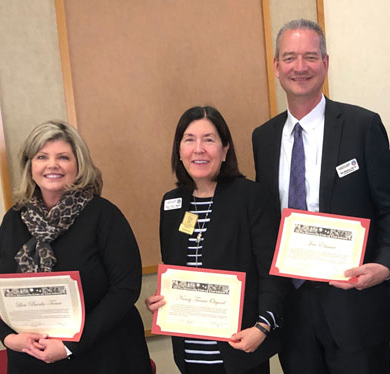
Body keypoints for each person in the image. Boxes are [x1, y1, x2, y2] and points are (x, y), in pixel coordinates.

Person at [252, 18, 390, 374]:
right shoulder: (263, 139)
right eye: (290, 57)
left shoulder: (363, 126)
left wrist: (385, 265)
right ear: (277, 67)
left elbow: (388, 209)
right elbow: (264, 222)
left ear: (325, 64)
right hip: (292, 309)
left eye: (311, 57)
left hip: (355, 308)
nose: (300, 67)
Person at [0, 121, 152, 373]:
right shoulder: (14, 218)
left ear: (79, 165)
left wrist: (70, 345)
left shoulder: (103, 215)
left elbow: (126, 288)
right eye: (42, 156)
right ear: (30, 166)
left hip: (102, 355)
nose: (52, 164)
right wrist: (8, 337)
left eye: (63, 157)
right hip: (31, 357)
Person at [146, 106, 288, 374]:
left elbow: (271, 271)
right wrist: (160, 300)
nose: (198, 149)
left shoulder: (250, 197)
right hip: (190, 352)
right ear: (179, 150)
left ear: (225, 150)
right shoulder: (171, 204)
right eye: (189, 139)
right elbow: (175, 269)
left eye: (209, 139)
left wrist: (263, 326)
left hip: (241, 347)